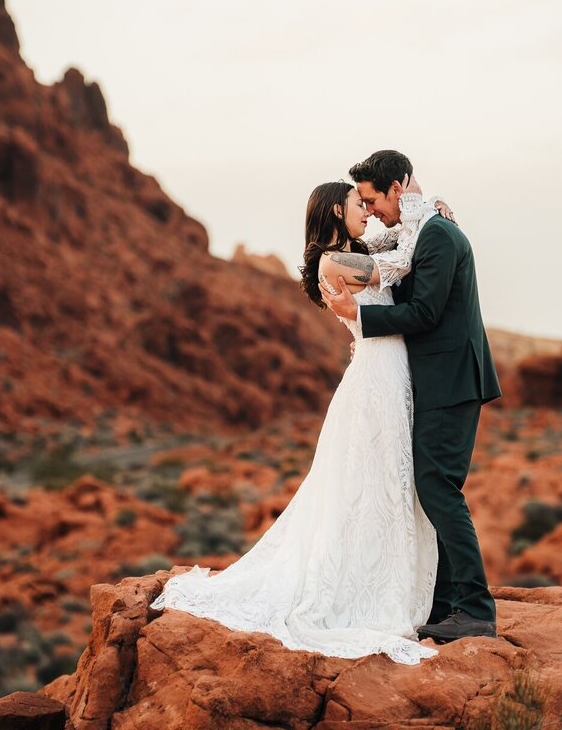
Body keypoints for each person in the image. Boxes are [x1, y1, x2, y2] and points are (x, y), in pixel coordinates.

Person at [149, 177, 456, 664]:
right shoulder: (336, 262)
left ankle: (389, 578)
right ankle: (362, 591)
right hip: (376, 380)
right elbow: (399, 264)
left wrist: (425, 216)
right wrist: (424, 215)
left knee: (386, 484)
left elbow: (396, 241)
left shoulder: (353, 249)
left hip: (392, 376)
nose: (368, 211)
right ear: (336, 211)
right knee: (369, 485)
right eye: (359, 203)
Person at [320, 149, 502, 643]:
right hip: (434, 379)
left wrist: (361, 318)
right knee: (433, 489)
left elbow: (424, 312)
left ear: (397, 189)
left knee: (438, 488)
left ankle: (475, 610)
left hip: (451, 378)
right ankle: (445, 605)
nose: (371, 209)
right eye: (361, 202)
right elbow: (385, 269)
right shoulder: (414, 232)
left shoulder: (437, 235)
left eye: (373, 199)